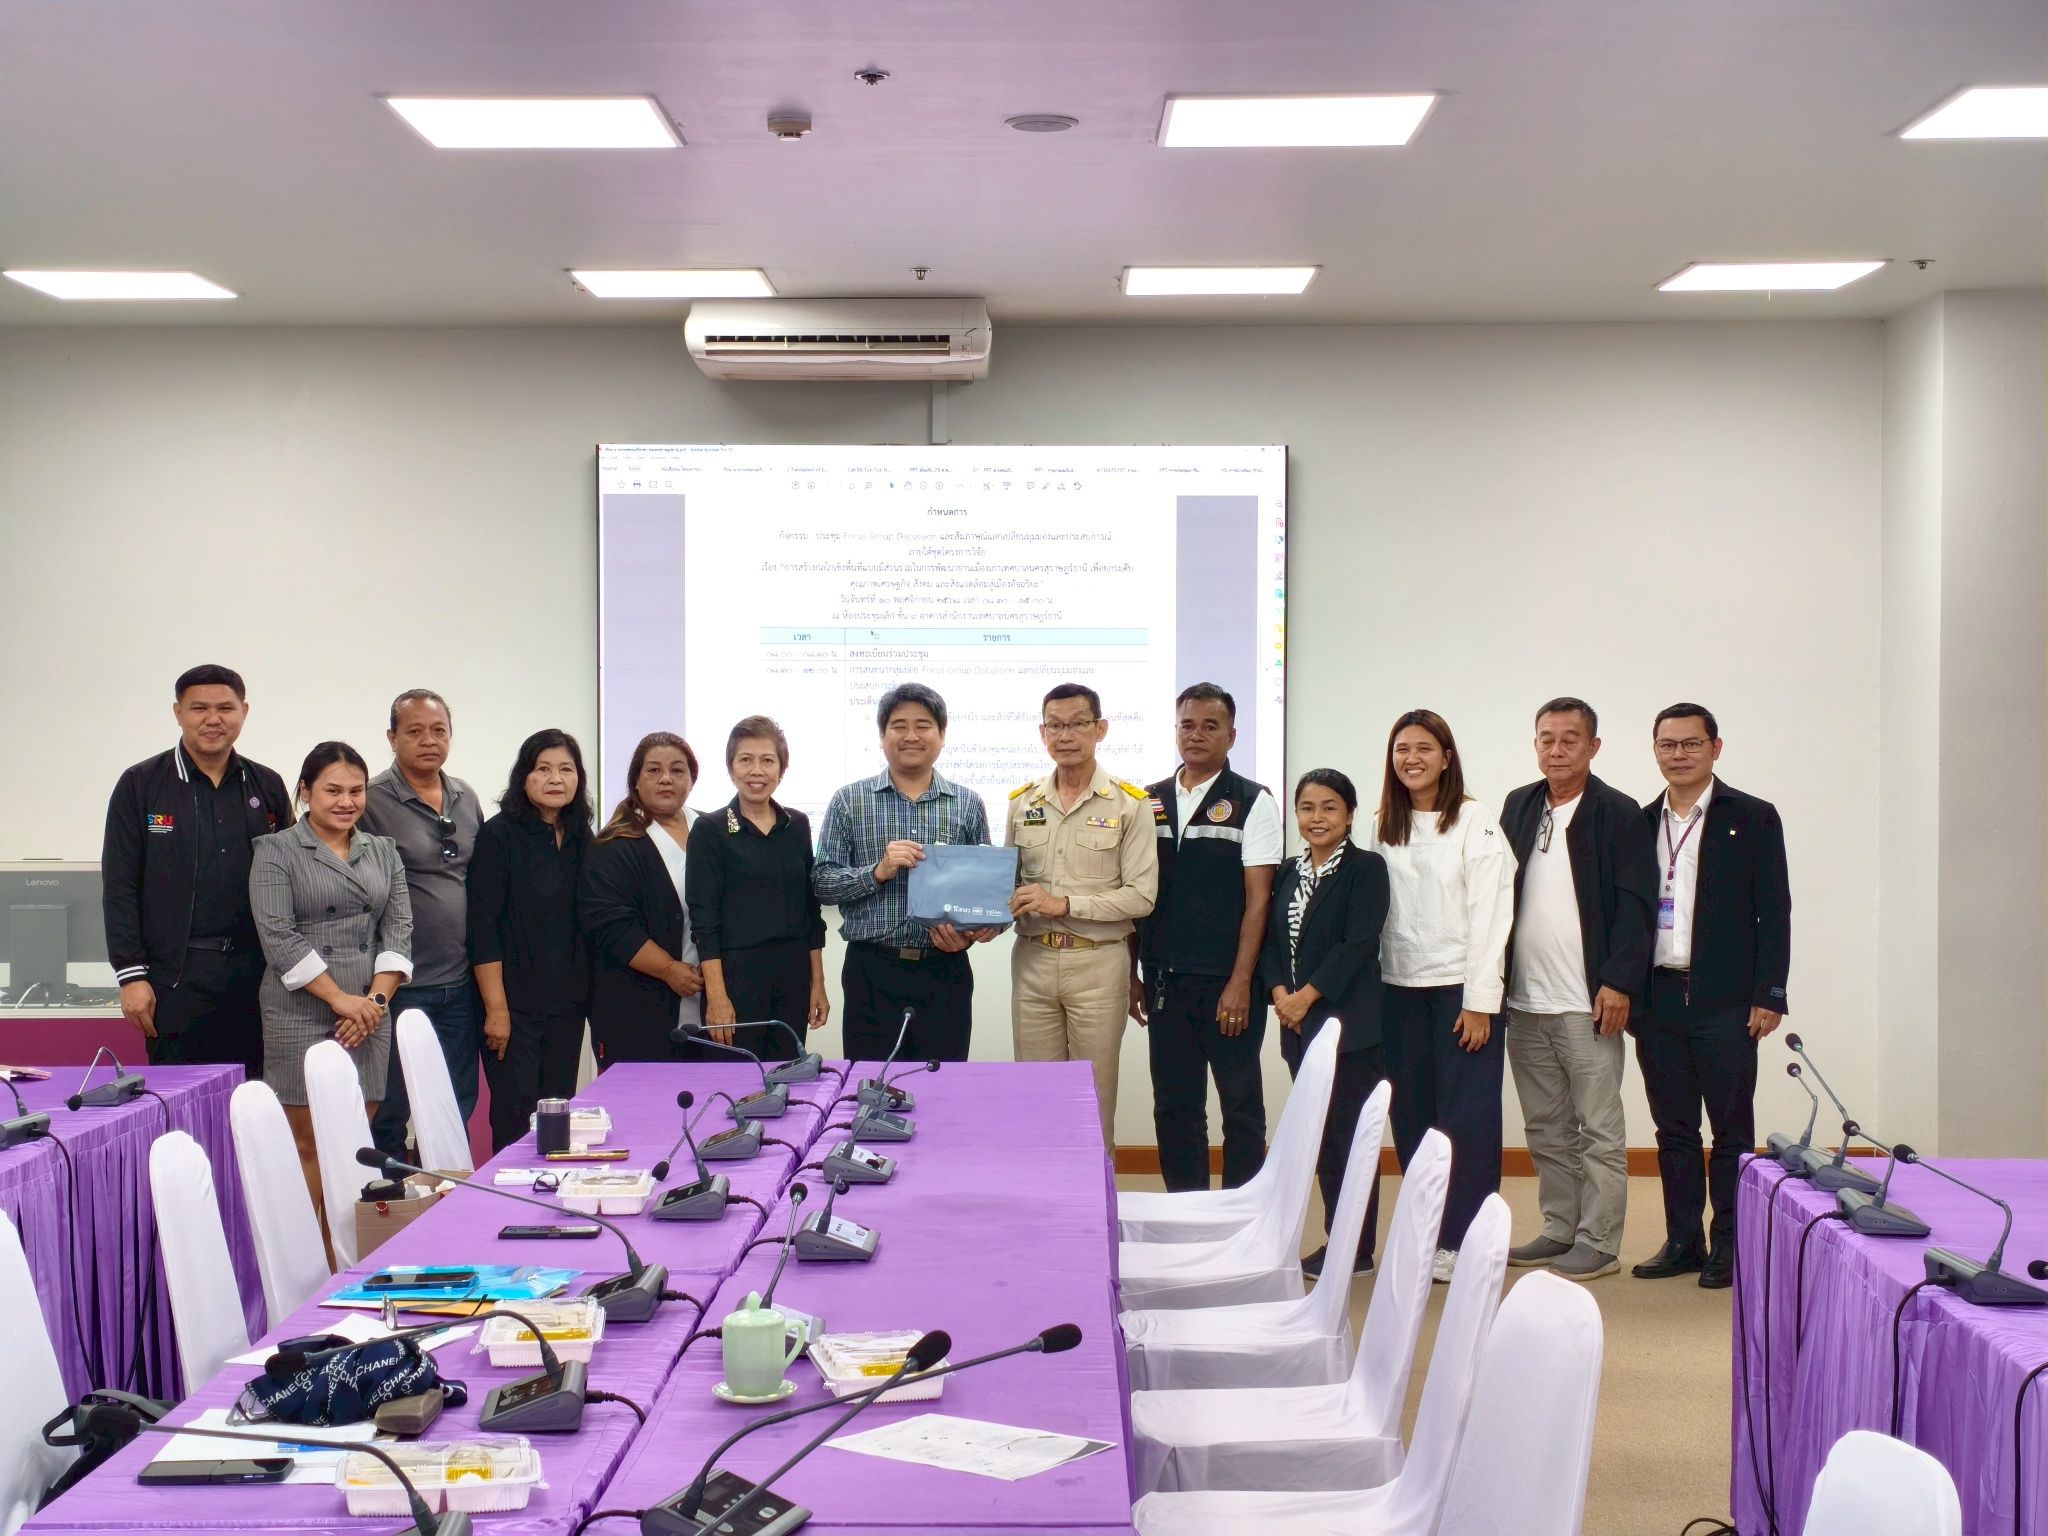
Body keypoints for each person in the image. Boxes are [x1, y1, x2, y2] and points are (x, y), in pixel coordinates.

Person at [1630, 704, 1791, 1290]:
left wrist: (1770, 992)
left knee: (1730, 1131)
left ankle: (1729, 1242)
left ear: (1715, 748)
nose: (1679, 755)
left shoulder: (1751, 817)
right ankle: (1682, 1241)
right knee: (1673, 1131)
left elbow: (1774, 909)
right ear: (1655, 750)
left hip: (1726, 1000)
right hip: (1658, 999)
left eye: (1691, 744)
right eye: (1667, 745)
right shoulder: (1639, 823)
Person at [1499, 696, 1657, 1282]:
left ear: (1594, 747)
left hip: (1587, 1003)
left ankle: (1599, 1240)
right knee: (1545, 1128)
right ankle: (1559, 1227)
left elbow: (1637, 907)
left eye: (1570, 739)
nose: (1557, 749)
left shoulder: (1618, 813)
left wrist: (1618, 982)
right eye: (1547, 738)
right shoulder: (1519, 804)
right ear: (1535, 744)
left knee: (1599, 1129)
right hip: (1525, 1002)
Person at [1364, 709, 1516, 1284]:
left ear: (1447, 757)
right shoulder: (1381, 824)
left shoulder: (1476, 822)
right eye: (1402, 749)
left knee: (1467, 1120)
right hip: (1398, 991)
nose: (1412, 759)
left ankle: (1463, 1240)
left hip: (1460, 994)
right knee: (1412, 1117)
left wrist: (1480, 1001)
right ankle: (1426, 1233)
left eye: (1424, 748)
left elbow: (1491, 916)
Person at [101, 664, 294, 1077]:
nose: (213, 719)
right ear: (178, 713)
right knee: (181, 1098)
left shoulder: (266, 785)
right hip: (175, 978)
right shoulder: (141, 784)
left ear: (244, 711)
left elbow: (291, 880)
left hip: (256, 975)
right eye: (199, 708)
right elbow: (119, 886)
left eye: (225, 708)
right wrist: (130, 975)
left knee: (253, 1097)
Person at [249, 742, 412, 1215]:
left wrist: (374, 1004)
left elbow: (399, 929)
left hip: (369, 1011)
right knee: (308, 1145)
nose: (346, 801)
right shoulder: (276, 850)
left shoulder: (383, 851)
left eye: (356, 791)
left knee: (354, 1141)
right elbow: (278, 935)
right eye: (333, 790)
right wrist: (341, 1000)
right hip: (299, 1010)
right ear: (305, 791)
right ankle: (308, 1253)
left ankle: (343, 1248)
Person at [1131, 683, 1282, 1193]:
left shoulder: (1253, 801)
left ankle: (1241, 1216)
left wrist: (1240, 982)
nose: (1196, 735)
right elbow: (1133, 894)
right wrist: (1133, 973)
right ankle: (1186, 1212)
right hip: (1164, 981)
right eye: (1187, 725)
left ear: (1231, 736)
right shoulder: (1146, 800)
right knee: (1175, 1107)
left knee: (1240, 1106)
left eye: (1210, 726)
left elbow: (1259, 900)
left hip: (1229, 986)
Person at [1007, 683, 1159, 1148]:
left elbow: (1141, 897)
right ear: (1042, 732)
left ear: (1101, 729)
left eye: (1078, 724)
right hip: (1032, 962)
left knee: (1092, 1103)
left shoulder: (1130, 804)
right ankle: (1041, 1192)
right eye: (1055, 725)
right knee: (1036, 1100)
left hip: (1098, 964)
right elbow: (1006, 886)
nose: (1065, 735)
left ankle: (1094, 1195)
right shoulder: (1022, 802)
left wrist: (1066, 905)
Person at [812, 683, 996, 1062]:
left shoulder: (967, 804)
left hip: (945, 970)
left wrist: (972, 936)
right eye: (899, 726)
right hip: (871, 970)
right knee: (870, 1084)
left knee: (942, 1084)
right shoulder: (849, 801)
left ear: (942, 736)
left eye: (923, 725)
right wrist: (877, 872)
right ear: (882, 736)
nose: (911, 735)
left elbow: (988, 894)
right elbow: (822, 883)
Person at [1266, 769, 1391, 1278]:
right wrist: (1280, 995)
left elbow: (1357, 945)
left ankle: (1355, 1250)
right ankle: (1336, 1237)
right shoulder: (1288, 871)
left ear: (1350, 814)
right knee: (1320, 1137)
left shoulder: (1366, 869)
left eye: (1329, 807)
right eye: (1307, 807)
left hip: (1349, 1028)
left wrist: (1306, 998)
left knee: (1350, 1138)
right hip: (1297, 1026)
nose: (1317, 818)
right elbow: (1273, 942)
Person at [360, 689, 484, 1161]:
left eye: (438, 730)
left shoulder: (465, 796)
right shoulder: (371, 799)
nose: (428, 740)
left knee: (454, 1104)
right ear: (391, 738)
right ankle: (389, 1196)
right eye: (414, 731)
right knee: (390, 1107)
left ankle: (449, 1193)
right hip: (400, 985)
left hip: (460, 981)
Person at [469, 729, 595, 1154]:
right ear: (524, 776)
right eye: (543, 769)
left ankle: (551, 1190)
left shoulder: (583, 837)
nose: (555, 778)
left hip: (567, 1006)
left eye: (566, 769)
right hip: (513, 1008)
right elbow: (483, 926)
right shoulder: (499, 835)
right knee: (515, 1116)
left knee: (558, 1115)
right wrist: (497, 1010)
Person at [686, 716, 828, 1060]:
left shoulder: (797, 825)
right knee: (735, 1078)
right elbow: (704, 921)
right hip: (736, 978)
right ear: (730, 768)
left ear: (782, 769)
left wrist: (818, 984)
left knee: (787, 1077)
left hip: (793, 975)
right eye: (745, 759)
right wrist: (717, 997)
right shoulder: (710, 829)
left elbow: (810, 912)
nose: (757, 770)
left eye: (767, 760)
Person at [578, 732, 704, 1064]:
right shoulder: (612, 844)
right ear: (636, 780)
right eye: (654, 770)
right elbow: (612, 926)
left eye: (677, 770)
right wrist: (668, 969)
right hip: (637, 1006)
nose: (666, 779)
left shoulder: (712, 831)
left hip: (707, 1005)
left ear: (692, 779)